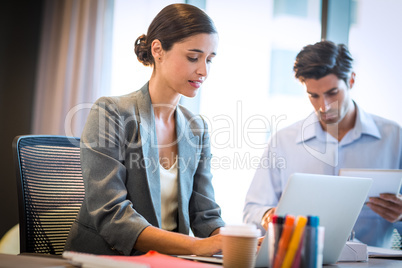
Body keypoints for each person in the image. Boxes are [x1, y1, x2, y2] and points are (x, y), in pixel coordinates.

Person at [65, 3, 225, 256]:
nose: (203, 71)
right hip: (108, 260)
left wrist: (235, 241)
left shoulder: (197, 128)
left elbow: (205, 215)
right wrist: (197, 246)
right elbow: (112, 216)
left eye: (209, 60)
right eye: (193, 57)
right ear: (158, 50)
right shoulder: (111, 112)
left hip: (170, 261)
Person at [243, 40, 402, 248]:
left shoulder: (394, 138)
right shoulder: (283, 141)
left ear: (351, 80)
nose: (324, 106)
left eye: (332, 93)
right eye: (313, 95)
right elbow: (252, 210)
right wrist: (268, 216)